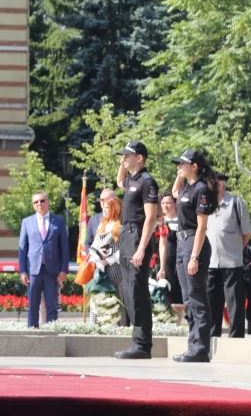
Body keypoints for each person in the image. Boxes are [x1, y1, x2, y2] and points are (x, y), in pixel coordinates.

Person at [170, 149, 218, 363]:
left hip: (193, 243)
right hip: (182, 242)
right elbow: (173, 193)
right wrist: (179, 176)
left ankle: (200, 348)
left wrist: (195, 257)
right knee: (188, 298)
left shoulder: (201, 189)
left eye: (182, 164)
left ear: (195, 166)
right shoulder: (187, 187)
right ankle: (193, 344)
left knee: (197, 297)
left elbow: (202, 227)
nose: (178, 167)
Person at [114, 141, 159, 360]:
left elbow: (151, 217)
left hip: (137, 236)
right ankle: (137, 341)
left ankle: (142, 344)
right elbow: (119, 180)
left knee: (137, 290)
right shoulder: (131, 179)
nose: (123, 159)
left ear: (139, 158)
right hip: (125, 235)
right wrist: (122, 161)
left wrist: (141, 248)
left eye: (127, 156)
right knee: (129, 290)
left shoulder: (147, 181)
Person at [206, 172, 251, 339]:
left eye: (215, 183)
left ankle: (236, 338)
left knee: (235, 304)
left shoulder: (236, 203)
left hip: (232, 262)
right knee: (211, 304)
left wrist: (236, 249)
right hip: (210, 263)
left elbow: (246, 233)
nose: (211, 186)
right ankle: (211, 338)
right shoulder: (206, 204)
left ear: (222, 185)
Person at [18, 192, 69, 326]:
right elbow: (22, 249)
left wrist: (64, 270)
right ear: (33, 205)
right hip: (33, 271)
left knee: (52, 306)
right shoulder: (26, 222)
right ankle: (32, 333)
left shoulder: (58, 221)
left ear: (48, 202)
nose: (39, 204)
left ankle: (51, 333)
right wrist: (22, 271)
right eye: (36, 202)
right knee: (32, 306)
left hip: (52, 271)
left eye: (42, 201)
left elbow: (64, 248)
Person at [86, 196, 126, 326]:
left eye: (107, 207)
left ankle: (116, 326)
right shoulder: (102, 224)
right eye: (103, 207)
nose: (104, 209)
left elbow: (123, 251)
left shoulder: (120, 226)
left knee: (114, 299)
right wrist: (96, 256)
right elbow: (93, 245)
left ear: (114, 208)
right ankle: (96, 326)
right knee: (97, 296)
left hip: (114, 268)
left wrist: (107, 261)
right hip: (99, 268)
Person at [158, 194, 183, 309]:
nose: (165, 205)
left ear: (174, 204)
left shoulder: (182, 220)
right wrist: (162, 268)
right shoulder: (161, 222)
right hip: (168, 261)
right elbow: (162, 246)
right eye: (163, 203)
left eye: (168, 202)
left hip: (183, 258)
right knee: (170, 289)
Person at [84, 189, 116, 258]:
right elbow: (88, 242)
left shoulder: (121, 219)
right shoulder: (93, 220)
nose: (104, 202)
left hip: (115, 264)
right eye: (102, 199)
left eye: (107, 199)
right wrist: (93, 257)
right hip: (97, 263)